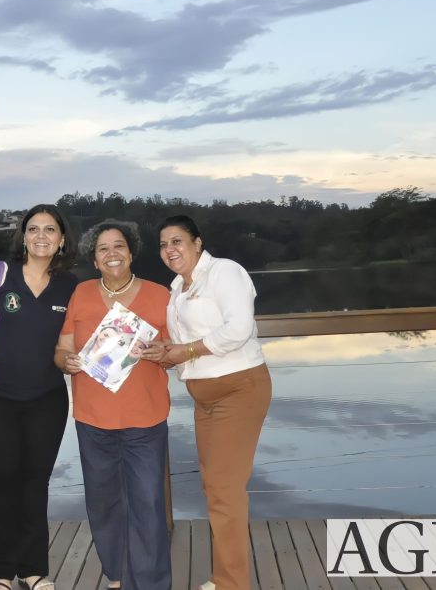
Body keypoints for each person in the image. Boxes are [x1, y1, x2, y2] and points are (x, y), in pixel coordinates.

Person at [0, 204, 78, 590]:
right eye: (33, 229)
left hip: (46, 399)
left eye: (50, 229)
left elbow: (74, 337)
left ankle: (33, 570)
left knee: (35, 483)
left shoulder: (70, 286)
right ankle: (0, 574)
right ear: (23, 237)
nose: (41, 236)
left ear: (62, 239)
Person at [55, 220, 172, 590]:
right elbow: (62, 349)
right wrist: (66, 362)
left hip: (145, 418)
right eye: (103, 249)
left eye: (118, 246)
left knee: (148, 504)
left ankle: (151, 583)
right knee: (104, 504)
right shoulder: (81, 293)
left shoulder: (160, 295)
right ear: (94, 260)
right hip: (93, 420)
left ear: (131, 253)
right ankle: (118, 575)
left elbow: (175, 351)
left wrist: (163, 352)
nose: (112, 254)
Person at [157, 214, 270, 590]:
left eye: (177, 241)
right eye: (163, 244)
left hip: (239, 390)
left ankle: (232, 583)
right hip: (204, 398)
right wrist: (167, 353)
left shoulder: (225, 272)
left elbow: (238, 329)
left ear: (197, 243)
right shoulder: (178, 287)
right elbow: (186, 345)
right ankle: (226, 577)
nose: (170, 249)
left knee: (224, 489)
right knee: (215, 486)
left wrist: (186, 350)